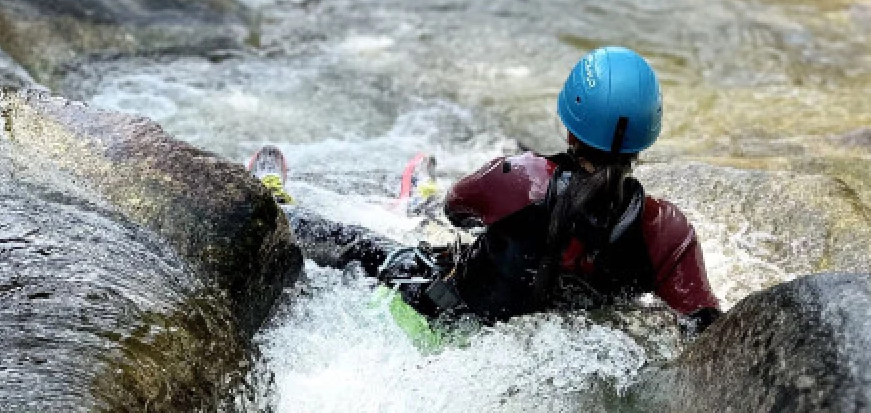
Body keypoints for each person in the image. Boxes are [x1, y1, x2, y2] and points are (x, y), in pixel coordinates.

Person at [290, 46, 721, 334]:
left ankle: (279, 209)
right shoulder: (667, 230)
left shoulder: (520, 177)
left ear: (569, 123)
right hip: (552, 352)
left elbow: (457, 211)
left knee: (361, 244)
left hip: (449, 323)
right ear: (648, 134)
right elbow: (701, 321)